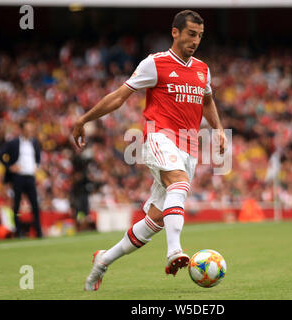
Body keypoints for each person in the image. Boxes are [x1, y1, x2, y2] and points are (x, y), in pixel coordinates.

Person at [72, 10, 226, 291]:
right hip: (158, 137)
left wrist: (217, 129)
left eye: (200, 36)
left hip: (189, 147)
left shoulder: (202, 69)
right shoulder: (155, 63)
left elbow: (207, 100)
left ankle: (103, 260)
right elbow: (119, 97)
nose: (196, 40)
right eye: (191, 34)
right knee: (178, 182)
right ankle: (175, 251)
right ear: (175, 32)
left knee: (154, 220)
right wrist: (84, 119)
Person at [0, 120, 43, 238]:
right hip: (18, 177)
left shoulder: (34, 142)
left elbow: (38, 157)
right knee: (17, 205)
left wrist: (36, 166)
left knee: (34, 204)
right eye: (28, 129)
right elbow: (0, 154)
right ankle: (18, 232)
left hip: (30, 177)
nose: (30, 132)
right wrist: (10, 167)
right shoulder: (14, 142)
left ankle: (38, 231)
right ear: (22, 130)